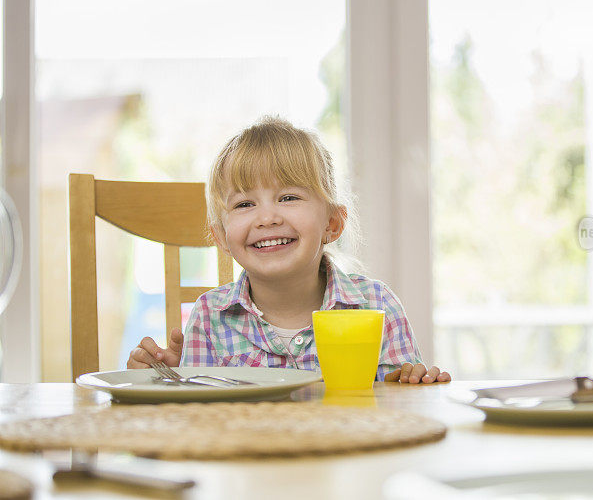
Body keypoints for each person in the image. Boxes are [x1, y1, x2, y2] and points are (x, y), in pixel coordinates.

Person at [127, 116, 450, 384]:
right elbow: (199, 422)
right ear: (222, 237)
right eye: (244, 204)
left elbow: (403, 411)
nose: (267, 217)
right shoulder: (210, 316)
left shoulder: (377, 306)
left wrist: (415, 384)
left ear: (332, 224)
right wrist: (168, 383)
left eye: (289, 198)